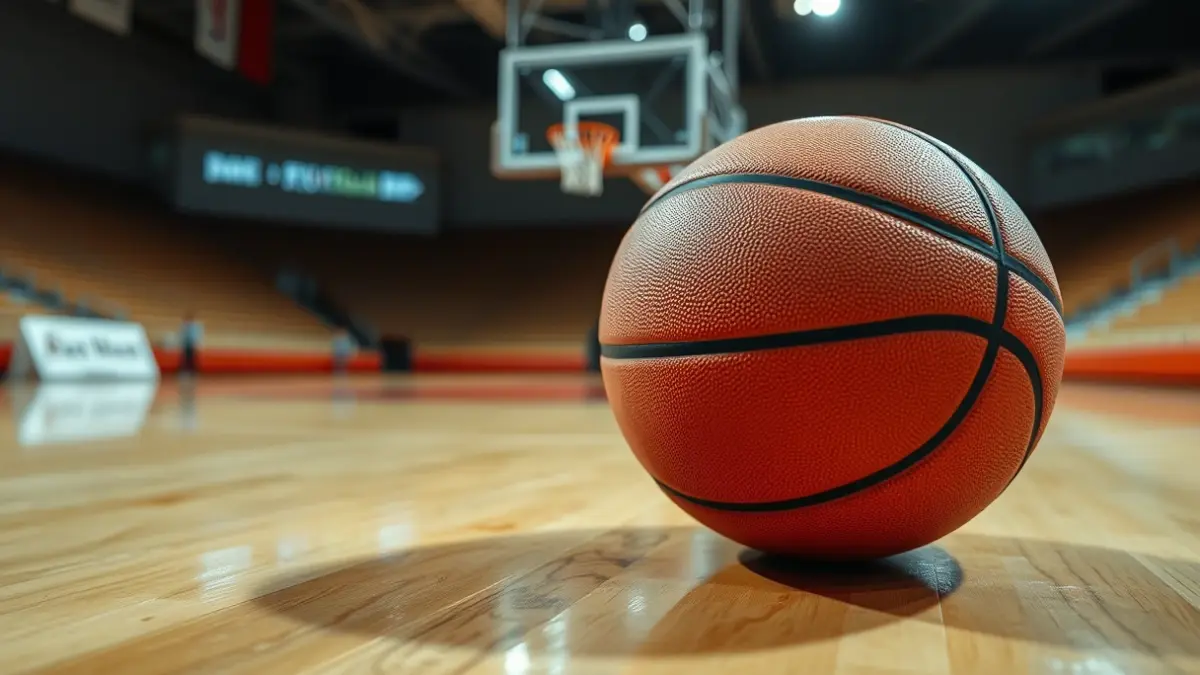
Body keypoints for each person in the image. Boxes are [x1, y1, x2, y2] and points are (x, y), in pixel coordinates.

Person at [180, 311, 203, 376]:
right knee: (185, 359)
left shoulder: (195, 326)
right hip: (186, 346)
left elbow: (197, 337)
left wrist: (197, 345)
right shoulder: (184, 326)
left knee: (192, 359)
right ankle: (186, 371)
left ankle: (193, 371)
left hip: (192, 346)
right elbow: (182, 336)